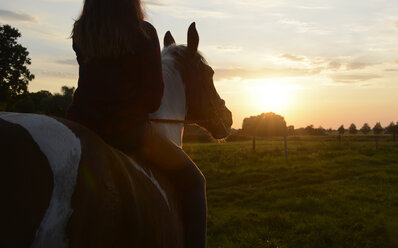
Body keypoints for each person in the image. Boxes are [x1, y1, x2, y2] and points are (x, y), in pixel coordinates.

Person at [66, 0, 206, 247]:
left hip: (81, 125)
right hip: (127, 131)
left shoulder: (81, 31)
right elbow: (153, 99)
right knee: (195, 182)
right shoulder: (144, 32)